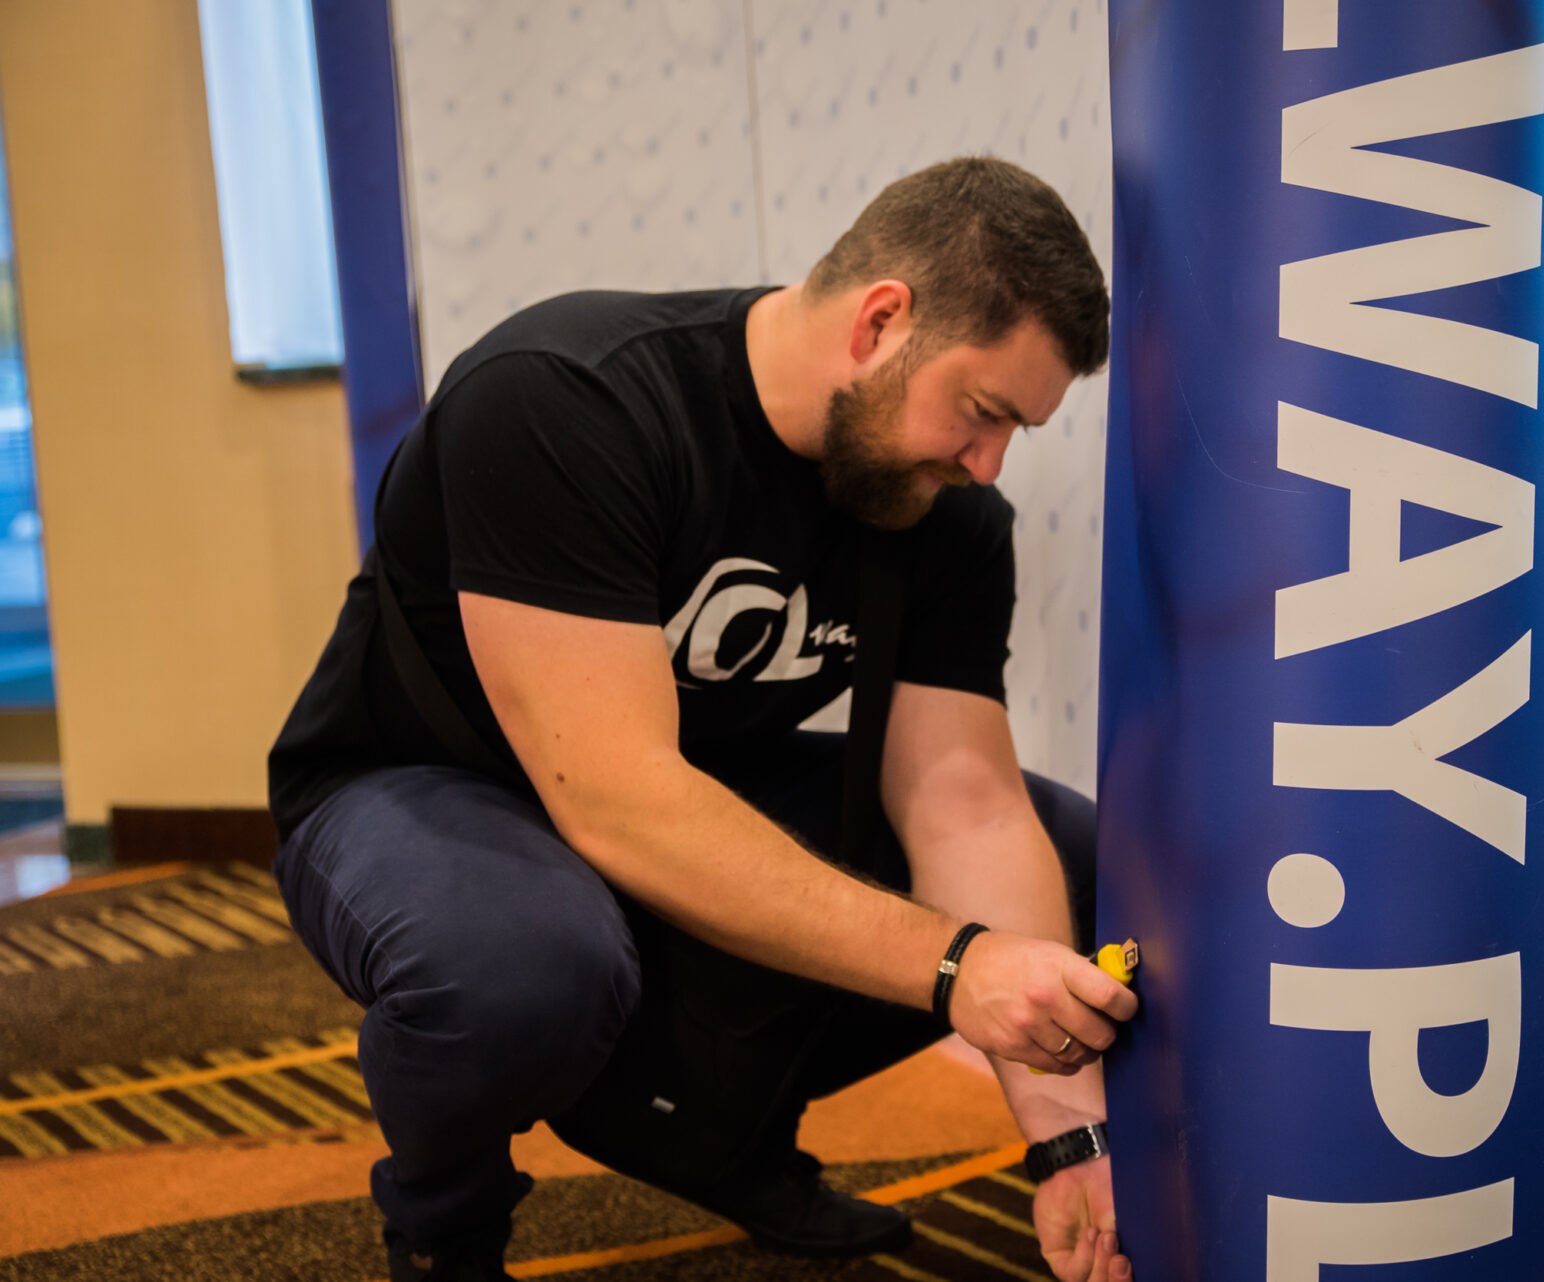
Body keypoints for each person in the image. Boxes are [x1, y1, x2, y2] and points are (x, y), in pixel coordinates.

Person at [267, 156, 1137, 1282]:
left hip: (680, 789)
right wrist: (957, 963)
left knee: (1069, 859)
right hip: (425, 792)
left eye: (1016, 431)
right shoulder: (568, 400)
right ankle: (448, 1225)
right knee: (524, 964)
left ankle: (726, 1142)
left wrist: (1066, 1138)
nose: (988, 462)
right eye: (982, 412)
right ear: (881, 321)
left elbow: (965, 805)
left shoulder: (948, 520)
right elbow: (622, 805)